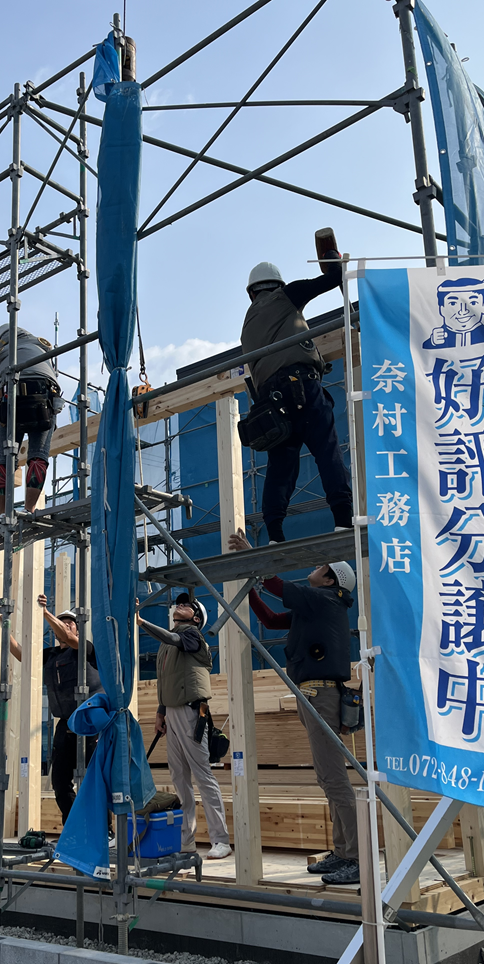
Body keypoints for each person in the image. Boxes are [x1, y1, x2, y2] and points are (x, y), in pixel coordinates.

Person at [229, 528, 359, 884]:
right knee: (327, 777)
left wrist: (252, 558)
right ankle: (343, 851)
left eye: (320, 565)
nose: (314, 568)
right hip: (311, 694)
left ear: (330, 578)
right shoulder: (314, 607)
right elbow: (271, 619)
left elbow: (278, 587)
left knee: (334, 778)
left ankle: (355, 857)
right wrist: (251, 592)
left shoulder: (325, 599)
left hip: (321, 695)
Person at [241, 238, 353, 541]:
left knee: (281, 467)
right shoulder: (284, 297)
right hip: (300, 386)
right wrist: (333, 257)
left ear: (251, 292)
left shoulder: (248, 324)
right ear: (277, 284)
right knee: (326, 451)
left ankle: (275, 532)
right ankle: (343, 518)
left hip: (270, 404)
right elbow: (331, 279)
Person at [137, 595, 232, 859]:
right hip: (173, 711)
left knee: (202, 775)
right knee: (179, 777)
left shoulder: (192, 636)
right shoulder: (167, 644)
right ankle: (186, 840)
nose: (180, 605)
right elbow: (166, 680)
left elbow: (176, 640)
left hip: (191, 711)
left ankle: (220, 840)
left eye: (187, 605)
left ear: (197, 618)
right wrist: (160, 711)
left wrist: (142, 622)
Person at [8, 595, 102, 827]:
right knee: (60, 782)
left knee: (94, 780)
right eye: (62, 621)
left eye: (70, 621)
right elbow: (23, 655)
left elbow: (69, 637)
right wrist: (4, 626)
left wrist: (45, 612)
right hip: (66, 723)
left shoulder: (86, 649)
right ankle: (76, 827)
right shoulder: (51, 655)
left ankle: (104, 829)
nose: (66, 624)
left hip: (91, 720)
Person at [0, 323, 64, 516]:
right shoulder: (42, 347)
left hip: (11, 398)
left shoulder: (2, 354)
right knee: (38, 455)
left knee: (5, 458)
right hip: (44, 397)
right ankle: (29, 509)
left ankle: (1, 513)